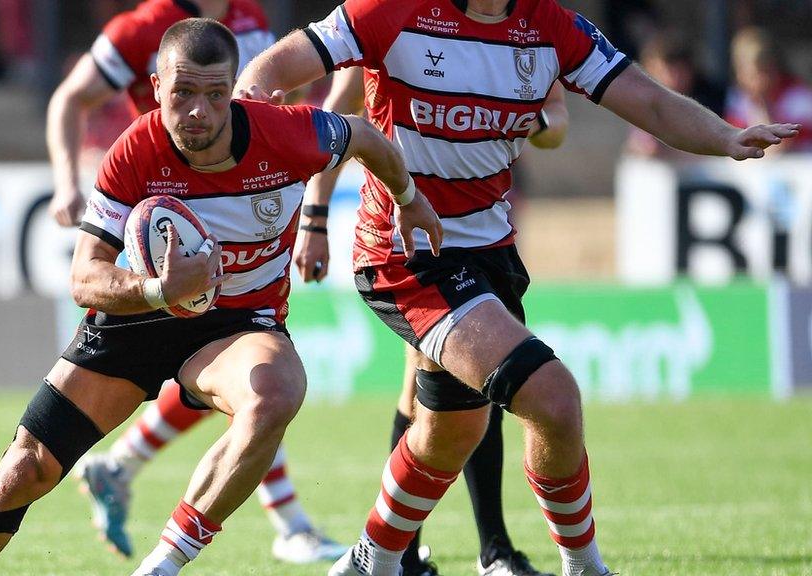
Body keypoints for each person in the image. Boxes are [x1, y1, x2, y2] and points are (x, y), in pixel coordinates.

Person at [236, 1, 800, 575]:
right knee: (552, 399)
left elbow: (649, 101)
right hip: (408, 253)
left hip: (492, 252)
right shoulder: (392, 9)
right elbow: (274, 71)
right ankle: (581, 567)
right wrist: (251, 123)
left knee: (450, 431)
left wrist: (726, 137)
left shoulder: (552, 26)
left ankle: (371, 562)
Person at [0, 18, 443, 576]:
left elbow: (363, 137)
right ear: (156, 85)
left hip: (238, 324)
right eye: (183, 93)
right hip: (138, 318)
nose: (199, 111)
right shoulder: (135, 150)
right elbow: (84, 278)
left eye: (217, 94)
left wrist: (407, 196)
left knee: (276, 392)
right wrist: (158, 290)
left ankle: (163, 566)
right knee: (21, 475)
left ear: (234, 89)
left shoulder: (287, 133)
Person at [46, 0, 346, 563]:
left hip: (238, 206)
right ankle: (289, 522)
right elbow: (71, 98)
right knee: (251, 381)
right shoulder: (141, 28)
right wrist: (65, 181)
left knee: (246, 379)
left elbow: (291, 114)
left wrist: (310, 213)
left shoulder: (250, 18)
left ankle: (124, 464)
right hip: (167, 218)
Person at [296, 65, 570, 576]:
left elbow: (556, 120)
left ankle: (415, 555)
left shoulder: (509, 33)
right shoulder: (386, 27)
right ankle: (478, 552)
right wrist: (314, 216)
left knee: (434, 393)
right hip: (409, 249)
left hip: (480, 236)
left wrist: (526, 123)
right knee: (468, 383)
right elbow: (335, 117)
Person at [623, 30, 726, 160]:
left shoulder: (713, 100)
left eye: (679, 71)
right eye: (666, 71)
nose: (674, 78)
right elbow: (641, 146)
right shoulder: (642, 102)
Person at [724, 26, 812, 153]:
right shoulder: (739, 98)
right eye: (742, 73)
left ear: (771, 69)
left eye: (755, 74)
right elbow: (734, 142)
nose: (745, 80)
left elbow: (779, 148)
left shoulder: (797, 96)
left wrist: (763, 105)